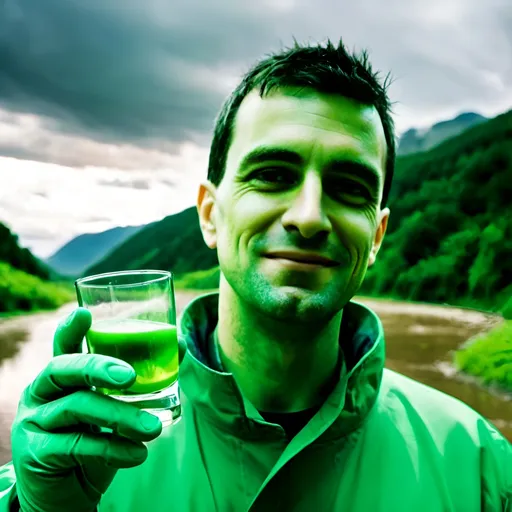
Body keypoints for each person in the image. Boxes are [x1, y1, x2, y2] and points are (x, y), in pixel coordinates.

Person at [0, 39, 510, 512]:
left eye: (350, 186)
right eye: (272, 175)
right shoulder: (71, 461)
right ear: (209, 214)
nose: (309, 216)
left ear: (376, 237)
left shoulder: (483, 467)